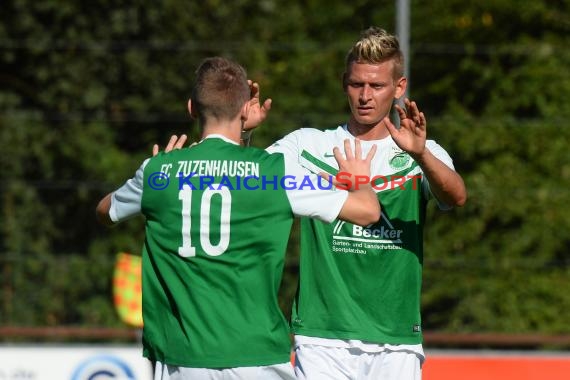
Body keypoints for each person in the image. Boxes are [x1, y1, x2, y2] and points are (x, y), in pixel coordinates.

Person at [95, 57, 380, 380]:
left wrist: (153, 172)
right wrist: (359, 179)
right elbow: (368, 212)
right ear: (245, 109)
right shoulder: (275, 174)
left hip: (183, 360)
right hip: (257, 357)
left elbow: (105, 211)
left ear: (191, 108)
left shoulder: (159, 173)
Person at [264, 27, 467, 380]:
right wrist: (243, 135)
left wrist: (420, 155)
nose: (365, 96)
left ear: (399, 88)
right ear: (345, 83)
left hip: (396, 340)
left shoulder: (421, 152)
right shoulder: (308, 146)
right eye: (357, 84)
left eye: (377, 86)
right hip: (321, 336)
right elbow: (247, 179)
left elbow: (456, 196)